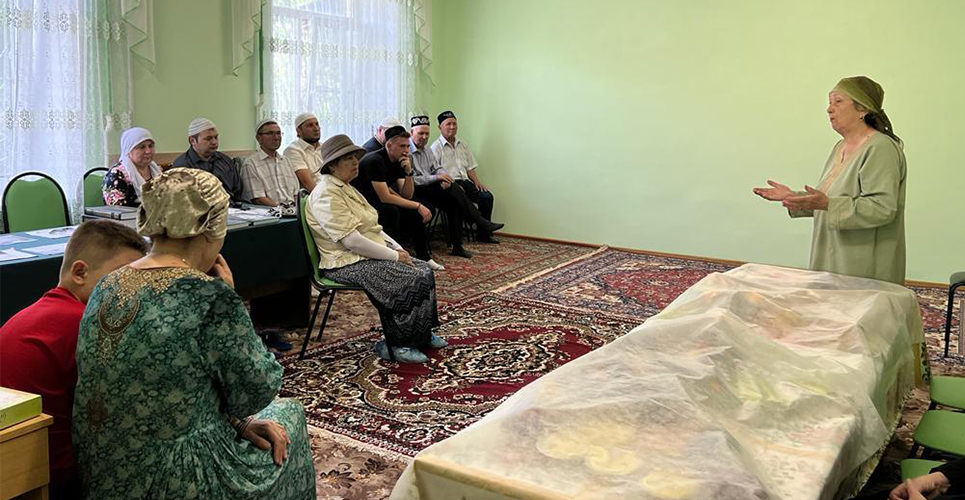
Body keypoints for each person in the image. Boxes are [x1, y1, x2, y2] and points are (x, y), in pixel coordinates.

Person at [71, 168, 315, 499]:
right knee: (290, 415)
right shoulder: (209, 297)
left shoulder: (107, 284)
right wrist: (228, 297)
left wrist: (237, 423)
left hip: (103, 468)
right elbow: (255, 392)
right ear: (212, 226)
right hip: (179, 477)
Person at [0, 220, 148, 500]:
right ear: (80, 272)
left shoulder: (33, 313)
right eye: (123, 279)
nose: (134, 293)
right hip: (51, 478)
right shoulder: (86, 325)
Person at [306, 134, 446, 364]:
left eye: (355, 157)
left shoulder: (346, 188)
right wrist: (394, 256)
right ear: (332, 165)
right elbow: (351, 241)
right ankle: (398, 344)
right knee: (407, 277)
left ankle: (420, 334)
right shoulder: (326, 194)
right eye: (348, 158)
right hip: (344, 263)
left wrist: (399, 249)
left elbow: (374, 228)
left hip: (363, 255)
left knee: (423, 270)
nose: (355, 162)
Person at [753, 76, 906, 284]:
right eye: (829, 102)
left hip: (862, 265)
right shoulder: (840, 147)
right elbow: (829, 199)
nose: (829, 109)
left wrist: (827, 204)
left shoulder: (880, 148)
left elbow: (882, 208)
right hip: (830, 255)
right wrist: (795, 197)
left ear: (862, 109)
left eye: (838, 102)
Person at [409, 115, 503, 258]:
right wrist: (438, 177)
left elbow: (437, 168)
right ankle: (479, 221)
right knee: (455, 191)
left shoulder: (427, 150)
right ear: (411, 132)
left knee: (458, 201)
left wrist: (443, 176)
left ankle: (458, 247)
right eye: (420, 133)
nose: (424, 137)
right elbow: (413, 180)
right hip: (417, 191)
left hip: (437, 186)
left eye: (427, 133)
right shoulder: (408, 150)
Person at [353, 125, 444, 270]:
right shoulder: (375, 160)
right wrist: (418, 205)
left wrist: (409, 172)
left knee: (413, 211)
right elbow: (385, 197)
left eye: (407, 146)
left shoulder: (399, 160)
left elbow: (407, 194)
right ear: (389, 145)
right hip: (360, 201)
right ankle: (391, 259)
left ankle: (424, 257)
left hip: (378, 197)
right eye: (402, 146)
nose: (406, 150)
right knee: (392, 211)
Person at [430, 110, 500, 243]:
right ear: (440, 127)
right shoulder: (435, 147)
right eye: (448, 124)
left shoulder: (462, 144)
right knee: (458, 201)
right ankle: (477, 223)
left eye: (454, 124)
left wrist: (477, 182)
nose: (452, 127)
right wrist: (452, 185)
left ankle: (483, 235)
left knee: (487, 197)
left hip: (465, 181)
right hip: (450, 184)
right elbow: (434, 172)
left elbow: (470, 167)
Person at [172, 117, 246, 203]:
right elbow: (182, 203)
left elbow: (238, 194)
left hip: (232, 208)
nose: (214, 142)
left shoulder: (225, 160)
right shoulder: (182, 167)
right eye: (208, 138)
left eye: (216, 137)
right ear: (192, 141)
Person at [242, 118, 300, 207]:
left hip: (292, 210)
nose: (276, 137)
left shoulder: (286, 161)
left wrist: (297, 209)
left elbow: (296, 193)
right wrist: (282, 210)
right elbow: (258, 198)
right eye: (270, 133)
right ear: (258, 138)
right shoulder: (251, 164)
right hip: (269, 212)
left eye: (278, 133)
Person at [102, 127, 162, 206]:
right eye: (142, 147)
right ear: (128, 150)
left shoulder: (157, 170)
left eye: (150, 146)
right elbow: (116, 208)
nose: (148, 151)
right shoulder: (116, 175)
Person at [283, 112, 324, 192]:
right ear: (299, 131)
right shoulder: (293, 150)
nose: (316, 128)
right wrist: (326, 197)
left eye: (317, 124)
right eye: (310, 125)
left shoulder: (324, 147)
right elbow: (307, 183)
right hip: (313, 196)